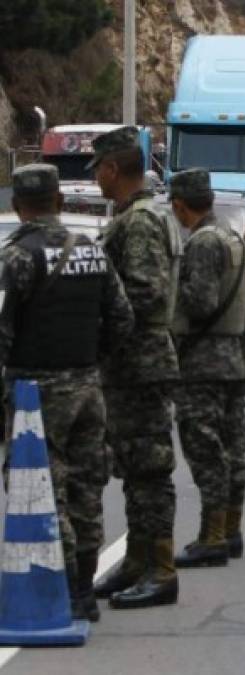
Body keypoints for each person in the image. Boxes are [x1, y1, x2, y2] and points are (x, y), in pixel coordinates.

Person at [0, 164, 134, 622]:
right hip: (87, 386)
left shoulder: (16, 259)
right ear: (59, 202)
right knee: (86, 487)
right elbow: (123, 320)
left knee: (42, 489)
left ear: (17, 207)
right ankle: (83, 590)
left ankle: (55, 591)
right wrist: (90, 360)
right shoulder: (94, 253)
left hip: (35, 393)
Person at [90, 126, 183, 609]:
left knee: (149, 469)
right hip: (131, 364)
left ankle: (161, 569)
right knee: (134, 467)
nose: (98, 180)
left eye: (98, 171)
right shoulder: (136, 216)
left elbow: (144, 295)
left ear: (112, 168)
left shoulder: (141, 220)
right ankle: (138, 559)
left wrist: (103, 331)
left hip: (139, 364)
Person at [168, 169, 245, 567]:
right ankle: (231, 529)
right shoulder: (234, 237)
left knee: (206, 450)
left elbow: (200, 303)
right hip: (234, 356)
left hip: (204, 361)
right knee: (234, 448)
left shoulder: (202, 243)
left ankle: (212, 535)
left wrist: (171, 290)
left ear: (181, 205)